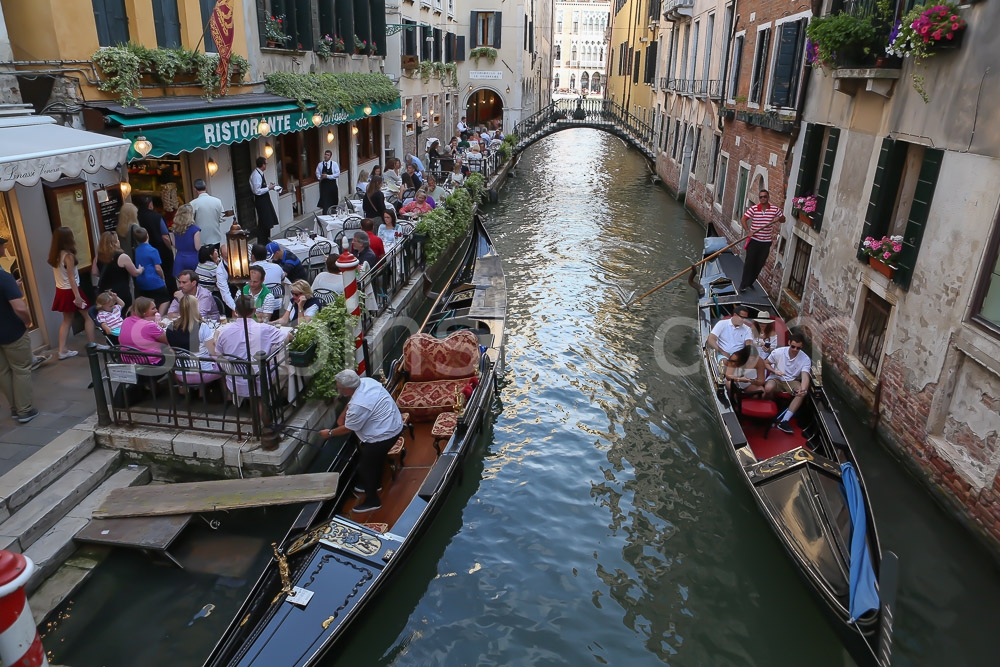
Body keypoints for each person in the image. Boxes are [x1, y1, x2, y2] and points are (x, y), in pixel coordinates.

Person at [318, 369, 404, 513]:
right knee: (373, 460)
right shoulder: (367, 382)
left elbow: (348, 428)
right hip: (393, 425)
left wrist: (329, 433)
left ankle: (373, 501)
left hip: (383, 436)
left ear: (347, 389)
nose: (337, 388)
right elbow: (352, 402)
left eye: (339, 387)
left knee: (364, 468)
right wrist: (343, 415)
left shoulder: (359, 405)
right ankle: (376, 484)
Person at [214, 295, 290, 398]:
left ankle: (266, 400)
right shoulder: (264, 329)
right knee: (286, 367)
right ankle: (272, 400)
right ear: (254, 310)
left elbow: (218, 354)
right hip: (260, 382)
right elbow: (288, 337)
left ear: (236, 311)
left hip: (234, 383)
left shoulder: (223, 331)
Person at [47, 227, 95, 359]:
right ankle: (93, 345)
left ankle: (62, 350)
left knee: (67, 320)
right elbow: (71, 278)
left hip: (61, 290)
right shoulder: (68, 256)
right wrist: (78, 296)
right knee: (88, 316)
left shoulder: (55, 255)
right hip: (72, 290)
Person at [0, 261, 37, 423]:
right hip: (12, 330)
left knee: (3, 371)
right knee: (21, 369)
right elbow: (20, 307)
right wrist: (28, 321)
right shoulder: (4, 277)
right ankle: (24, 410)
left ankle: (15, 408)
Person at [763, 333, 812, 434]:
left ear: (801, 347)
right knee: (768, 388)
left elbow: (805, 376)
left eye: (798, 348)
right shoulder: (778, 352)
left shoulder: (805, 359)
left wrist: (803, 389)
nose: (795, 349)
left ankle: (784, 421)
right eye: (793, 346)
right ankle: (768, 409)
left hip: (792, 381)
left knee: (802, 393)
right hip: (776, 377)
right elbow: (766, 363)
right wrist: (775, 371)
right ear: (789, 343)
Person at [739, 189, 785, 293]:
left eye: (765, 196)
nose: (763, 198)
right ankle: (743, 284)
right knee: (749, 263)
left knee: (759, 264)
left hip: (766, 242)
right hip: (754, 241)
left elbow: (783, 219)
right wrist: (748, 231)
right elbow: (743, 219)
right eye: (761, 197)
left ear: (768, 198)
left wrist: (778, 219)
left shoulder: (774, 209)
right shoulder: (754, 209)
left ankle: (750, 282)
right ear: (759, 198)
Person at [93, 230, 142, 314]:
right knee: (124, 314)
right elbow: (135, 273)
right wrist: (141, 269)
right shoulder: (122, 256)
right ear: (115, 243)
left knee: (110, 317)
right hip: (121, 292)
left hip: (105, 292)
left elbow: (95, 272)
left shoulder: (98, 257)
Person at [137, 196, 175, 293]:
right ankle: (170, 296)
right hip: (161, 250)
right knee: (168, 274)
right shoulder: (157, 216)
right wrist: (170, 248)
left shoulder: (136, 217)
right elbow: (165, 236)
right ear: (150, 204)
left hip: (144, 249)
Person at [132, 227, 171, 315]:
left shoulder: (137, 250)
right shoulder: (153, 250)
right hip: (154, 280)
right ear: (147, 236)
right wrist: (163, 278)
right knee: (165, 299)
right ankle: (159, 316)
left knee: (148, 302)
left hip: (142, 281)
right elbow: (157, 268)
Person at [119, 296, 168, 364]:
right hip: (149, 364)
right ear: (144, 312)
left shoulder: (126, 320)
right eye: (153, 308)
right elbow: (168, 340)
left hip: (128, 362)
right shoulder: (150, 326)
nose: (156, 310)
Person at [250, 156, 279, 244]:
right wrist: (269, 188)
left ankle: (266, 239)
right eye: (265, 164)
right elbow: (257, 191)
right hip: (261, 201)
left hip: (265, 199)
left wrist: (269, 187)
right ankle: (262, 241)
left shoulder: (260, 174)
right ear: (262, 165)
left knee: (267, 220)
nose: (266, 165)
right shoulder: (256, 176)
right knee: (264, 221)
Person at [189, 179, 225, 247]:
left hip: (201, 239)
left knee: (203, 257)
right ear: (206, 187)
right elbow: (222, 218)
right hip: (215, 237)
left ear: (195, 189)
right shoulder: (217, 201)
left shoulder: (193, 204)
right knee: (216, 256)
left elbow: (190, 221)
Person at [170, 204, 201, 276]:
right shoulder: (195, 229)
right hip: (193, 258)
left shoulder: (174, 229)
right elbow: (197, 247)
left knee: (182, 283)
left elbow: (174, 244)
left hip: (179, 258)